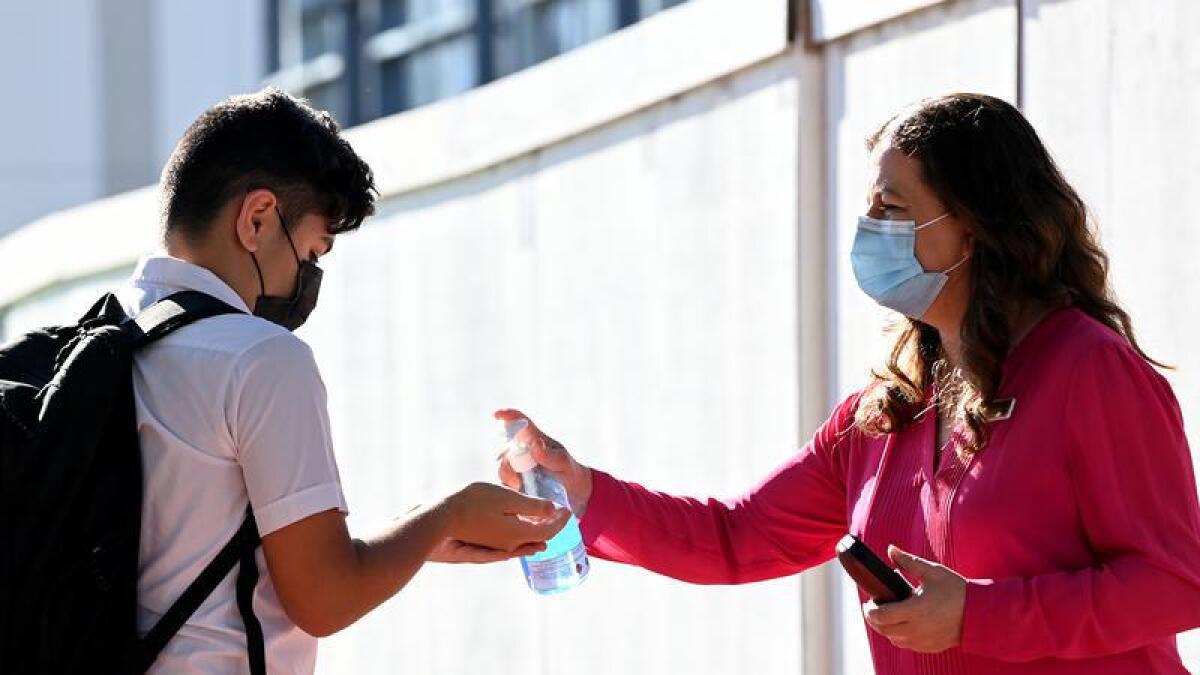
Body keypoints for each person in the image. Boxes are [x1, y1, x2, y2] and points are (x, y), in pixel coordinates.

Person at [497, 93, 1200, 673]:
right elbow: (736, 537)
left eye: (892, 208)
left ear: (975, 228)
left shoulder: (1089, 369)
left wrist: (979, 616)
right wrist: (581, 486)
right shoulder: (885, 410)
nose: (869, 229)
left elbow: (1177, 581)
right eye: (870, 207)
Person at [125, 88, 569, 673]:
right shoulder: (261, 358)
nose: (306, 279)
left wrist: (415, 541)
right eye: (310, 253)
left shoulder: (116, 337)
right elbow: (325, 598)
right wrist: (446, 514)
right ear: (257, 219)